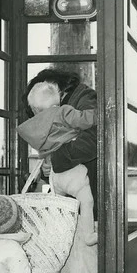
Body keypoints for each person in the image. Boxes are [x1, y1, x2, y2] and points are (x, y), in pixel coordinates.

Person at [21, 68, 98, 273]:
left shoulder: (85, 101)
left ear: (56, 89)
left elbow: (94, 142)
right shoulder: (73, 103)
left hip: (84, 209)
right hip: (74, 207)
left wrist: (58, 159)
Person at [17, 80, 97, 246]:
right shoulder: (62, 112)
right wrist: (103, 112)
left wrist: (48, 163)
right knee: (86, 201)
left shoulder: (36, 125)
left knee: (59, 209)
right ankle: (89, 235)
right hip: (73, 175)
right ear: (57, 100)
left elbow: (47, 152)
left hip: (56, 178)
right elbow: (85, 120)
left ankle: (56, 236)